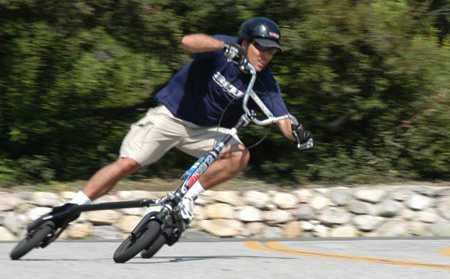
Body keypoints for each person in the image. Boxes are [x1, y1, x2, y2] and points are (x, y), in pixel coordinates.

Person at [66, 17, 313, 221]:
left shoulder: (264, 81)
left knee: (240, 155)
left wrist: (298, 132)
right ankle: (72, 206)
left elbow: (282, 120)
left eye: (272, 51)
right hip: (171, 116)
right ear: (246, 42)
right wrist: (220, 47)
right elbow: (187, 42)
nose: (266, 55)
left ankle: (186, 197)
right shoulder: (223, 49)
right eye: (261, 47)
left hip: (207, 132)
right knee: (128, 163)